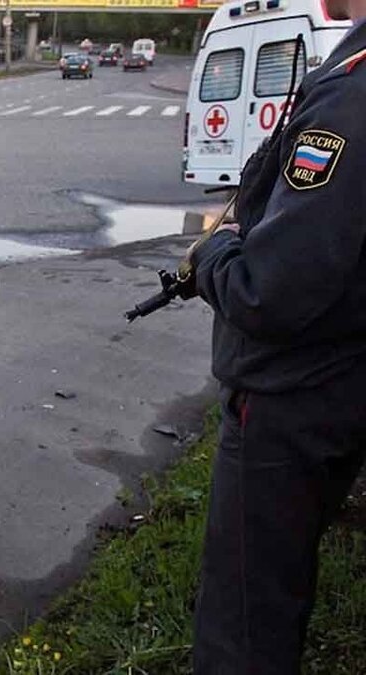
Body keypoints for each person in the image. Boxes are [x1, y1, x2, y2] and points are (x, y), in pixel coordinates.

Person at [188, 5, 366, 673]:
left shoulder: (351, 97)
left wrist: (215, 253)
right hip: (338, 382)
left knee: (245, 619)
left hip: (291, 397)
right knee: (280, 587)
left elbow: (271, 291)